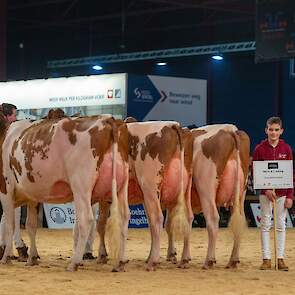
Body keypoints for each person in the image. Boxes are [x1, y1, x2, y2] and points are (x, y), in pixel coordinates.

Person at [253, 116, 293, 271]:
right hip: (266, 195)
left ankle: (280, 258)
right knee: (265, 224)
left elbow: (290, 175)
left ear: (281, 131)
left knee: (281, 225)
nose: (273, 133)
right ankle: (266, 259)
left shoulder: (287, 149)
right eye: (271, 129)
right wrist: (266, 190)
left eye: (276, 130)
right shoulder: (259, 149)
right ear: (266, 130)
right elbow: (255, 173)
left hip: (282, 194)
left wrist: (290, 196)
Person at [0, 103, 28, 261]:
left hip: (7, 176)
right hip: (7, 176)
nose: (15, 118)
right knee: (11, 212)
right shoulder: (7, 133)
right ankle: (14, 245)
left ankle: (8, 245)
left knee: (8, 213)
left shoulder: (7, 133)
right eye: (13, 115)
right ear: (6, 116)